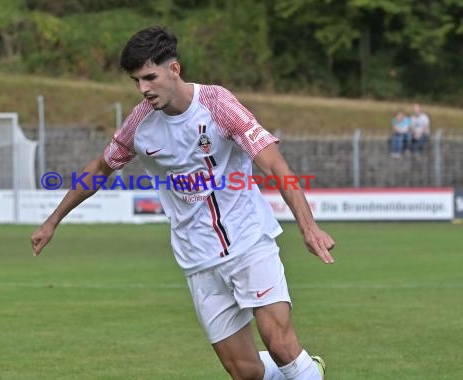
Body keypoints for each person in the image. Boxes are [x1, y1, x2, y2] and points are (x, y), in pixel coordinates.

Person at [31, 26, 335, 380]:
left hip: (249, 241)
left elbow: (274, 164)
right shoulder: (139, 124)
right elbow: (100, 168)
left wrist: (308, 225)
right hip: (197, 258)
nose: (143, 89)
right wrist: (53, 220)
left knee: (281, 345)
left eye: (150, 77)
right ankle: (305, 368)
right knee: (246, 372)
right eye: (136, 81)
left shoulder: (218, 105)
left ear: (174, 69)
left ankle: (304, 370)